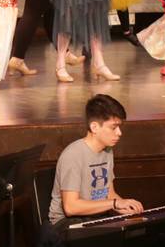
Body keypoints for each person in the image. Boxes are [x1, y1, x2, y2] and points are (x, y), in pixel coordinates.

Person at [46, 95, 143, 238]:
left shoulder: (107, 150)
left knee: (138, 232)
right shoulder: (73, 155)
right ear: (94, 127)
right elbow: (71, 207)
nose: (119, 133)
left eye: (119, 127)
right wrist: (115, 204)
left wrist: (126, 209)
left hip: (95, 217)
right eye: (113, 127)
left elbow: (109, 194)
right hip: (66, 224)